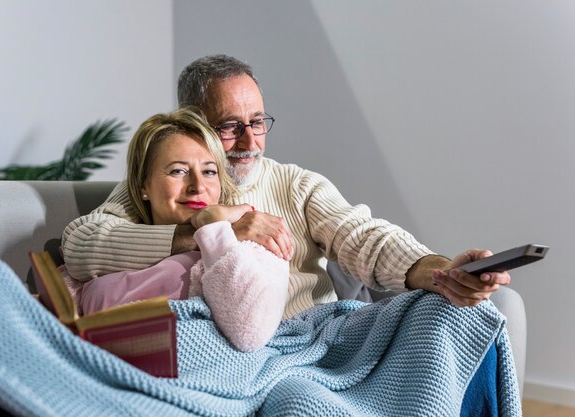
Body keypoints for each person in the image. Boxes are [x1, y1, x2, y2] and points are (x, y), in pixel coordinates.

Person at [62, 54, 510, 318]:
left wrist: (444, 273)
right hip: (244, 348)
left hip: (320, 330)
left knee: (464, 319)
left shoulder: (296, 184)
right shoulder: (165, 182)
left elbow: (366, 239)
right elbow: (81, 244)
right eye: (230, 126)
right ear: (192, 123)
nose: (249, 140)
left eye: (257, 122)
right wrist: (204, 228)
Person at [77, 107, 289, 352]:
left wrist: (213, 224)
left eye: (209, 171)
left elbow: (249, 333)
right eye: (178, 171)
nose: (197, 186)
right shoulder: (116, 243)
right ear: (142, 185)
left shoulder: (253, 241)